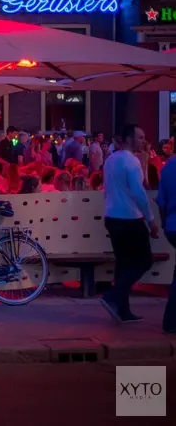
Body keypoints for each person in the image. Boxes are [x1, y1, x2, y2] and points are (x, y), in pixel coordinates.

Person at [101, 124, 158, 324]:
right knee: (144, 261)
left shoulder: (110, 160)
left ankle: (122, 310)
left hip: (112, 216)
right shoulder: (131, 161)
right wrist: (151, 220)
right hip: (129, 218)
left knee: (124, 263)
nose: (143, 140)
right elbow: (138, 192)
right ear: (128, 139)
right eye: (140, 137)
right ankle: (113, 296)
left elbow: (107, 189)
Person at [156, 154, 176, 335]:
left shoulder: (168, 168)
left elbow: (160, 201)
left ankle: (170, 321)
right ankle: (171, 320)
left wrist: (164, 223)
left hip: (172, 226)